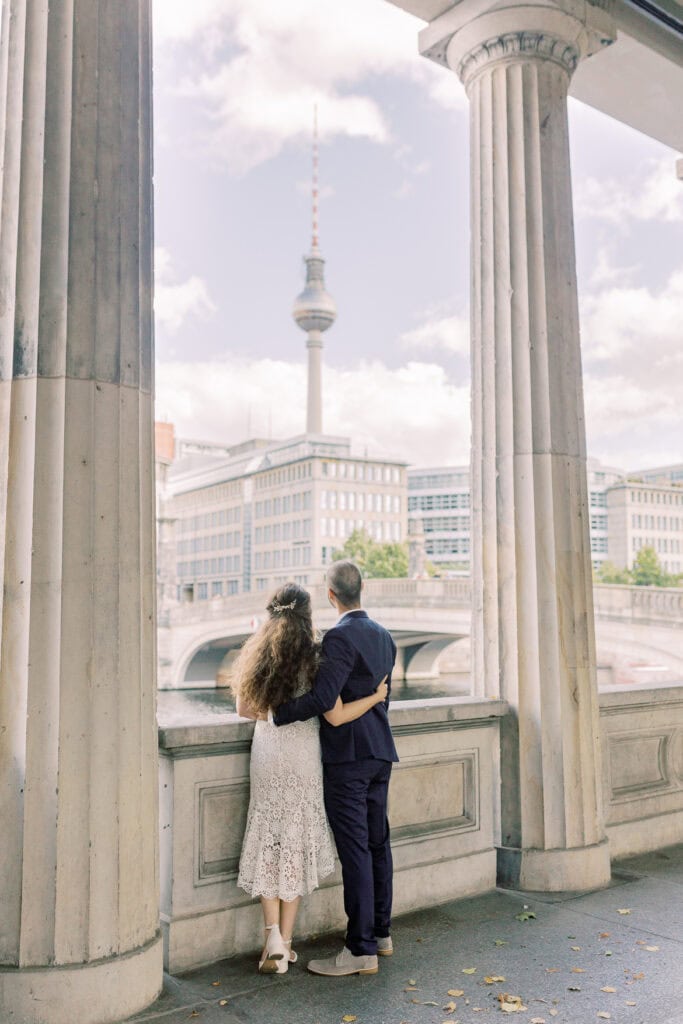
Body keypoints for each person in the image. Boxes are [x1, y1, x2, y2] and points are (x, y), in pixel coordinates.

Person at [233, 582, 388, 975]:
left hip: (268, 751)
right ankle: (286, 940)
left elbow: (243, 708)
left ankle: (271, 942)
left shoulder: (258, 653)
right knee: (297, 839)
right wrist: (374, 697)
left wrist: (271, 716)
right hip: (303, 754)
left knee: (268, 836)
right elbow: (334, 714)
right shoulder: (316, 656)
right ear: (308, 614)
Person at [274, 561, 398, 977]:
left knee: (356, 851)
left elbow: (324, 701)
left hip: (348, 758)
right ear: (362, 589)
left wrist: (277, 714)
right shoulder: (384, 636)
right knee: (378, 844)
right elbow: (383, 700)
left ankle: (360, 949)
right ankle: (380, 934)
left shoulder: (338, 638)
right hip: (381, 752)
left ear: (331, 596)